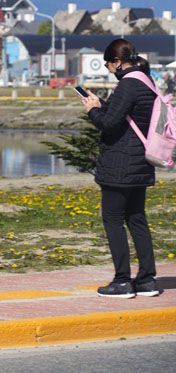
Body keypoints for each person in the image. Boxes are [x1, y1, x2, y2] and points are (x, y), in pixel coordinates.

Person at [80, 38, 159, 298]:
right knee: (137, 219)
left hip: (120, 163)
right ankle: (147, 280)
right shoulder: (147, 82)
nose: (108, 70)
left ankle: (122, 281)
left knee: (113, 219)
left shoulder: (127, 84)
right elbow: (128, 117)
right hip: (141, 162)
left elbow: (110, 125)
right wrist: (104, 105)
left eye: (108, 64)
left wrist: (92, 111)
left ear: (117, 61)